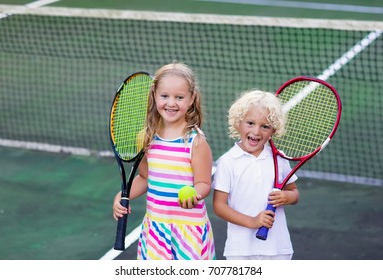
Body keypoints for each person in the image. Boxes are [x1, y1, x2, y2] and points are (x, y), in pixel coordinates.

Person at [113, 62, 216, 260]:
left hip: (189, 230)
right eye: (164, 96)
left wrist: (195, 193)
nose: (171, 103)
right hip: (156, 229)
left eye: (179, 97)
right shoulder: (145, 137)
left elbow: (204, 183)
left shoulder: (196, 142)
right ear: (154, 96)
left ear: (191, 98)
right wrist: (122, 195)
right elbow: (144, 177)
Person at [212, 89, 299, 260]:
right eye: (250, 123)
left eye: (265, 126)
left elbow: (294, 193)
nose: (256, 131)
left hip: (278, 248)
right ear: (238, 123)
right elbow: (219, 207)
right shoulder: (227, 161)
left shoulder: (279, 159)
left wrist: (286, 197)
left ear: (273, 130)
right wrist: (253, 222)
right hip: (240, 250)